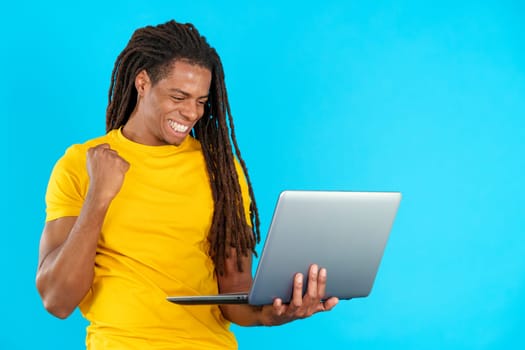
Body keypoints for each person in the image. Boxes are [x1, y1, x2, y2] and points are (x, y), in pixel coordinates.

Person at [35, 20, 338, 349]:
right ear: (142, 83)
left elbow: (233, 293)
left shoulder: (221, 170)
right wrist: (98, 198)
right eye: (179, 96)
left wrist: (273, 313)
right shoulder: (82, 164)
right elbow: (57, 300)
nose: (191, 113)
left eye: (200, 101)